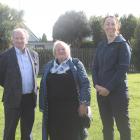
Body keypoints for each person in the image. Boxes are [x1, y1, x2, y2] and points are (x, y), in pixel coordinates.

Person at [39, 40, 91, 140]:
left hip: (72, 111)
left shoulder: (76, 64)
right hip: (53, 112)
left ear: (68, 51)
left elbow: (85, 83)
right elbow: (43, 86)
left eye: (63, 49)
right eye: (58, 49)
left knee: (73, 136)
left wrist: (84, 103)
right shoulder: (49, 66)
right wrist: (42, 106)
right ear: (54, 52)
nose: (60, 51)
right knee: (55, 136)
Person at [92, 15, 131, 140]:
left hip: (118, 93)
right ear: (104, 27)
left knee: (123, 126)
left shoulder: (122, 45)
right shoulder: (101, 46)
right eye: (107, 24)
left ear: (117, 26)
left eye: (112, 24)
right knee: (107, 127)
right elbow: (94, 67)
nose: (110, 26)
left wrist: (108, 88)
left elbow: (122, 70)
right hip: (101, 94)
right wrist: (96, 85)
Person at [0, 28, 39, 140]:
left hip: (29, 99)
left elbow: (34, 74)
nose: (19, 40)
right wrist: (12, 87)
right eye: (16, 38)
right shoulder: (5, 56)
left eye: (22, 38)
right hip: (12, 99)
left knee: (27, 132)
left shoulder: (34, 54)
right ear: (12, 39)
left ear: (26, 39)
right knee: (9, 131)